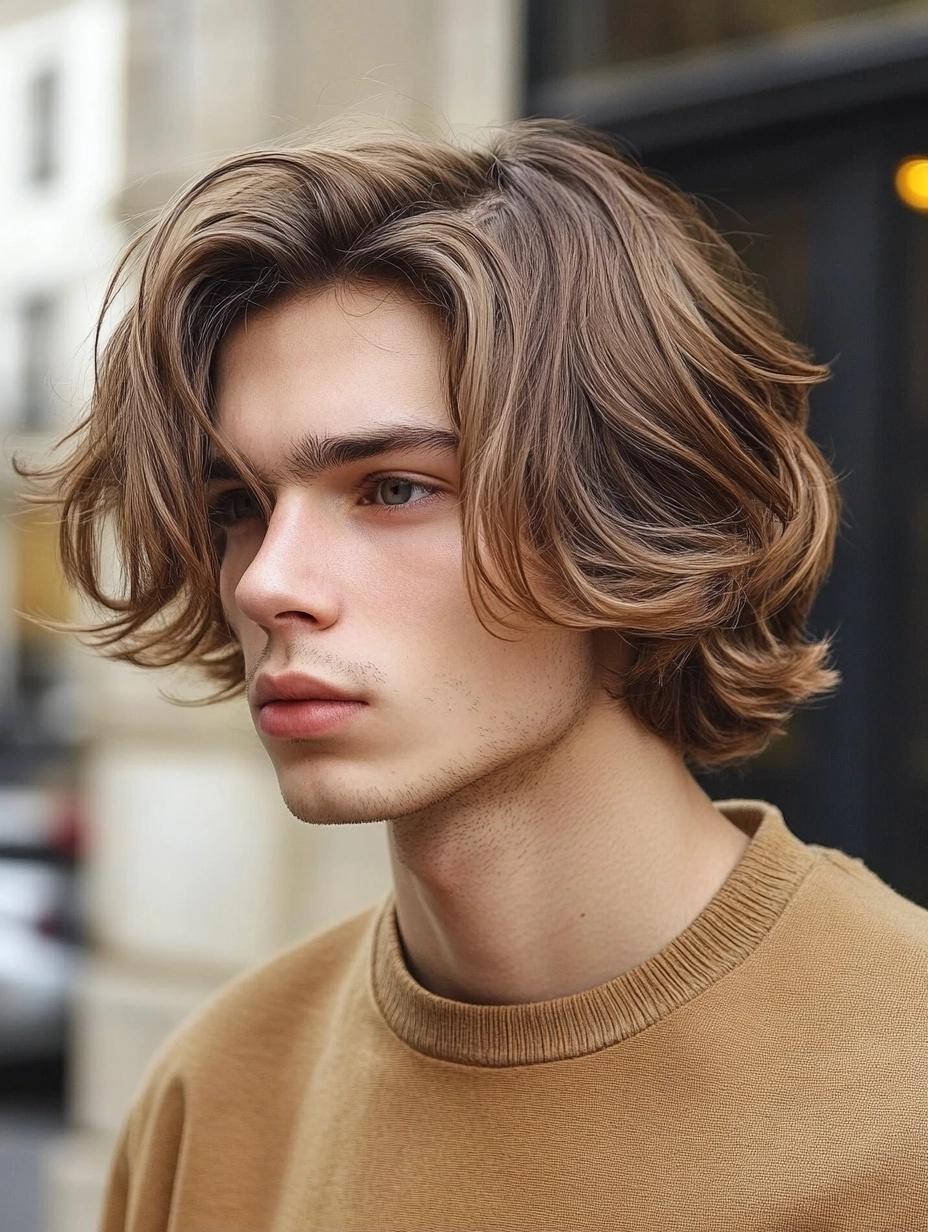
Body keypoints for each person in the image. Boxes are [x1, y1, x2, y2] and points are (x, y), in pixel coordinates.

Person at [19, 117, 927, 1230]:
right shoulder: (216, 1092)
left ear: (632, 508)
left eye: (393, 487)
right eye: (234, 508)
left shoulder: (902, 1101)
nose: (267, 581)